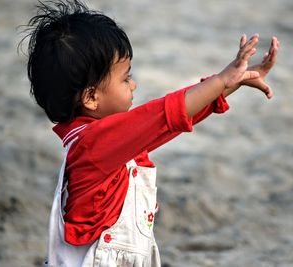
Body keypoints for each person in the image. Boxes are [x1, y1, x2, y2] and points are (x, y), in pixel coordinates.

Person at [21, 0, 279, 266]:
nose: (133, 84)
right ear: (91, 97)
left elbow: (175, 119)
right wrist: (222, 80)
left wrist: (234, 82)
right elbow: (164, 115)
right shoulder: (93, 146)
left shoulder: (113, 143)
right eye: (125, 78)